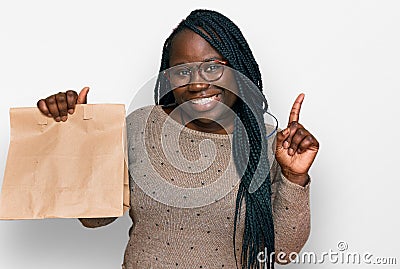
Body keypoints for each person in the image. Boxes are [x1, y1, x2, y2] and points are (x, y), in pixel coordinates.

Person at [37, 9, 319, 269]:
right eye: (182, 71)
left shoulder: (269, 145)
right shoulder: (141, 126)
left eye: (212, 67)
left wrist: (294, 177)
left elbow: (282, 251)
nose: (196, 83)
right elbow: (94, 218)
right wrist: (82, 137)